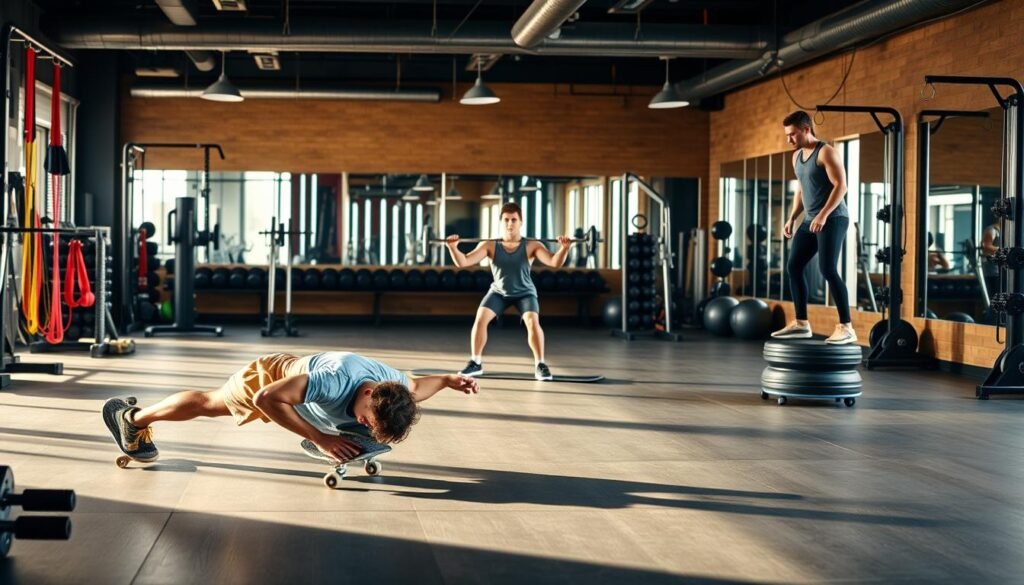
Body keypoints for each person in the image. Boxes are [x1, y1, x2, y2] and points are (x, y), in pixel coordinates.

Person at [102, 352, 480, 464]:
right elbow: (266, 399)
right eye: (366, 418)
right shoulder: (333, 380)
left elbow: (416, 387)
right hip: (268, 378)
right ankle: (131, 419)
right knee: (209, 403)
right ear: (367, 395)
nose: (364, 423)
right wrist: (321, 439)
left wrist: (447, 379)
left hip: (300, 375)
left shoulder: (392, 383)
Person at [445, 201, 571, 381]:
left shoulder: (531, 245)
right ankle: (475, 362)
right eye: (506, 220)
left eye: (514, 219)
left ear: (521, 222)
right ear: (501, 222)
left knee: (532, 321)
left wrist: (564, 249)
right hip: (499, 292)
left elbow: (554, 262)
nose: (510, 223)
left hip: (525, 293)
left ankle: (540, 364)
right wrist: (453, 248)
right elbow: (463, 262)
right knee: (480, 319)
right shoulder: (490, 245)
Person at [771, 110, 856, 344]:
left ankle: (846, 327)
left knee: (828, 269)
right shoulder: (796, 156)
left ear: (806, 129)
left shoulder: (826, 152)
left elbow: (841, 186)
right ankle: (801, 323)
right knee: (794, 266)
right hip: (810, 220)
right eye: (787, 135)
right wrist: (792, 217)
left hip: (834, 218)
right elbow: (801, 189)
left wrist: (823, 214)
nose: (789, 139)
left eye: (792, 134)